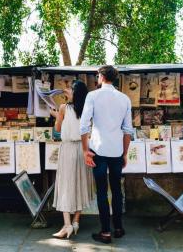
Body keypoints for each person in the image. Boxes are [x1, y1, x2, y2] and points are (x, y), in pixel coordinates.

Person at [80, 65, 134, 244]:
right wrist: (125, 154)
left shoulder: (92, 96)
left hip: (99, 150)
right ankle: (118, 228)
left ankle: (105, 232)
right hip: (117, 150)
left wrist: (85, 150)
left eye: (97, 75)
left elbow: (84, 125)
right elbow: (127, 130)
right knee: (117, 190)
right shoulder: (124, 99)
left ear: (101, 77)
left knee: (102, 191)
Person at [50, 80, 94, 239]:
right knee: (80, 185)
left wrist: (56, 116)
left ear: (75, 92)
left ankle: (67, 225)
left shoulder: (63, 108)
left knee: (66, 186)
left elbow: (58, 129)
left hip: (68, 149)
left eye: (69, 89)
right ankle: (76, 222)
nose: (66, 90)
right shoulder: (87, 110)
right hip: (83, 149)